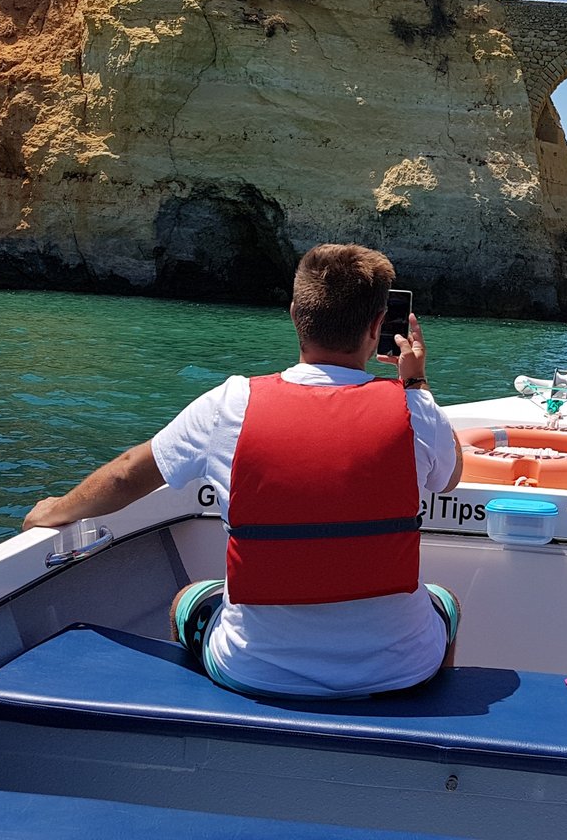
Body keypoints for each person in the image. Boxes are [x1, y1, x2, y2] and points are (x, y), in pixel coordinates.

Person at [23, 243, 463, 699]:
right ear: (378, 326)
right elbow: (448, 478)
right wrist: (415, 382)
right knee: (445, 602)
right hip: (399, 672)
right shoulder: (415, 409)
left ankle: (211, 726)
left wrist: (56, 509)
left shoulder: (229, 405)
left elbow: (124, 475)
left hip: (253, 670)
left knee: (185, 602)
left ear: (295, 314)